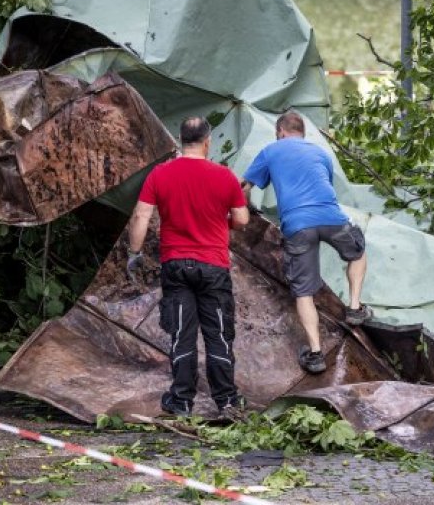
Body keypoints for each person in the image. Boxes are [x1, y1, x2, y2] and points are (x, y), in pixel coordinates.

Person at [126, 116, 250, 420]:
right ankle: (227, 402)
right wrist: (225, 221)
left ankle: (181, 402)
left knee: (181, 331)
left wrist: (134, 252)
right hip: (213, 266)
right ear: (208, 141)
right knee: (218, 332)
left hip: (176, 265)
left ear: (182, 140)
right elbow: (243, 219)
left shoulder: (160, 174)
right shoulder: (224, 176)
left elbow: (141, 216)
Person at [241, 110, 369, 374]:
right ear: (303, 133)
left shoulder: (271, 150)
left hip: (297, 225)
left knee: (304, 292)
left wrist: (248, 209)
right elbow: (324, 186)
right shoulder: (321, 153)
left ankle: (315, 353)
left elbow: (244, 187)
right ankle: (355, 307)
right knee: (357, 251)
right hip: (331, 217)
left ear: (280, 132)